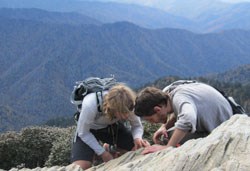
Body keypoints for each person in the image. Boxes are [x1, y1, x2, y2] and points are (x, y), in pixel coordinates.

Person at [134, 81, 233, 154]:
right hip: (216, 119)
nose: (152, 123)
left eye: (151, 119)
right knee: (168, 135)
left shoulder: (179, 98)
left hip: (222, 128)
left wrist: (168, 147)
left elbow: (188, 118)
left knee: (168, 139)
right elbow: (181, 111)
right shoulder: (167, 94)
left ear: (157, 109)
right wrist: (165, 126)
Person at [71, 84, 149, 170]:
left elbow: (137, 125)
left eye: (128, 112)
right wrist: (103, 153)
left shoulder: (130, 104)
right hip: (89, 130)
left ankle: (110, 148)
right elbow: (83, 133)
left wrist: (137, 138)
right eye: (123, 112)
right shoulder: (91, 104)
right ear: (113, 108)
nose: (127, 116)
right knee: (81, 167)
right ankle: (103, 151)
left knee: (141, 149)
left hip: (111, 128)